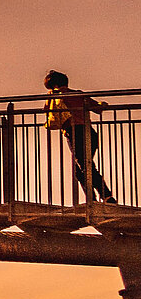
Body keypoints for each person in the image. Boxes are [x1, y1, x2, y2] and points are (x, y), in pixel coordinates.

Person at [44, 70, 114, 203]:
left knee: (84, 168)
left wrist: (50, 97)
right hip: (90, 132)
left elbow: (48, 113)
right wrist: (102, 104)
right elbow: (98, 108)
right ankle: (98, 198)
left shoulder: (55, 96)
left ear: (53, 85)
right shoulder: (79, 94)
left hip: (74, 133)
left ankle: (103, 197)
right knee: (84, 168)